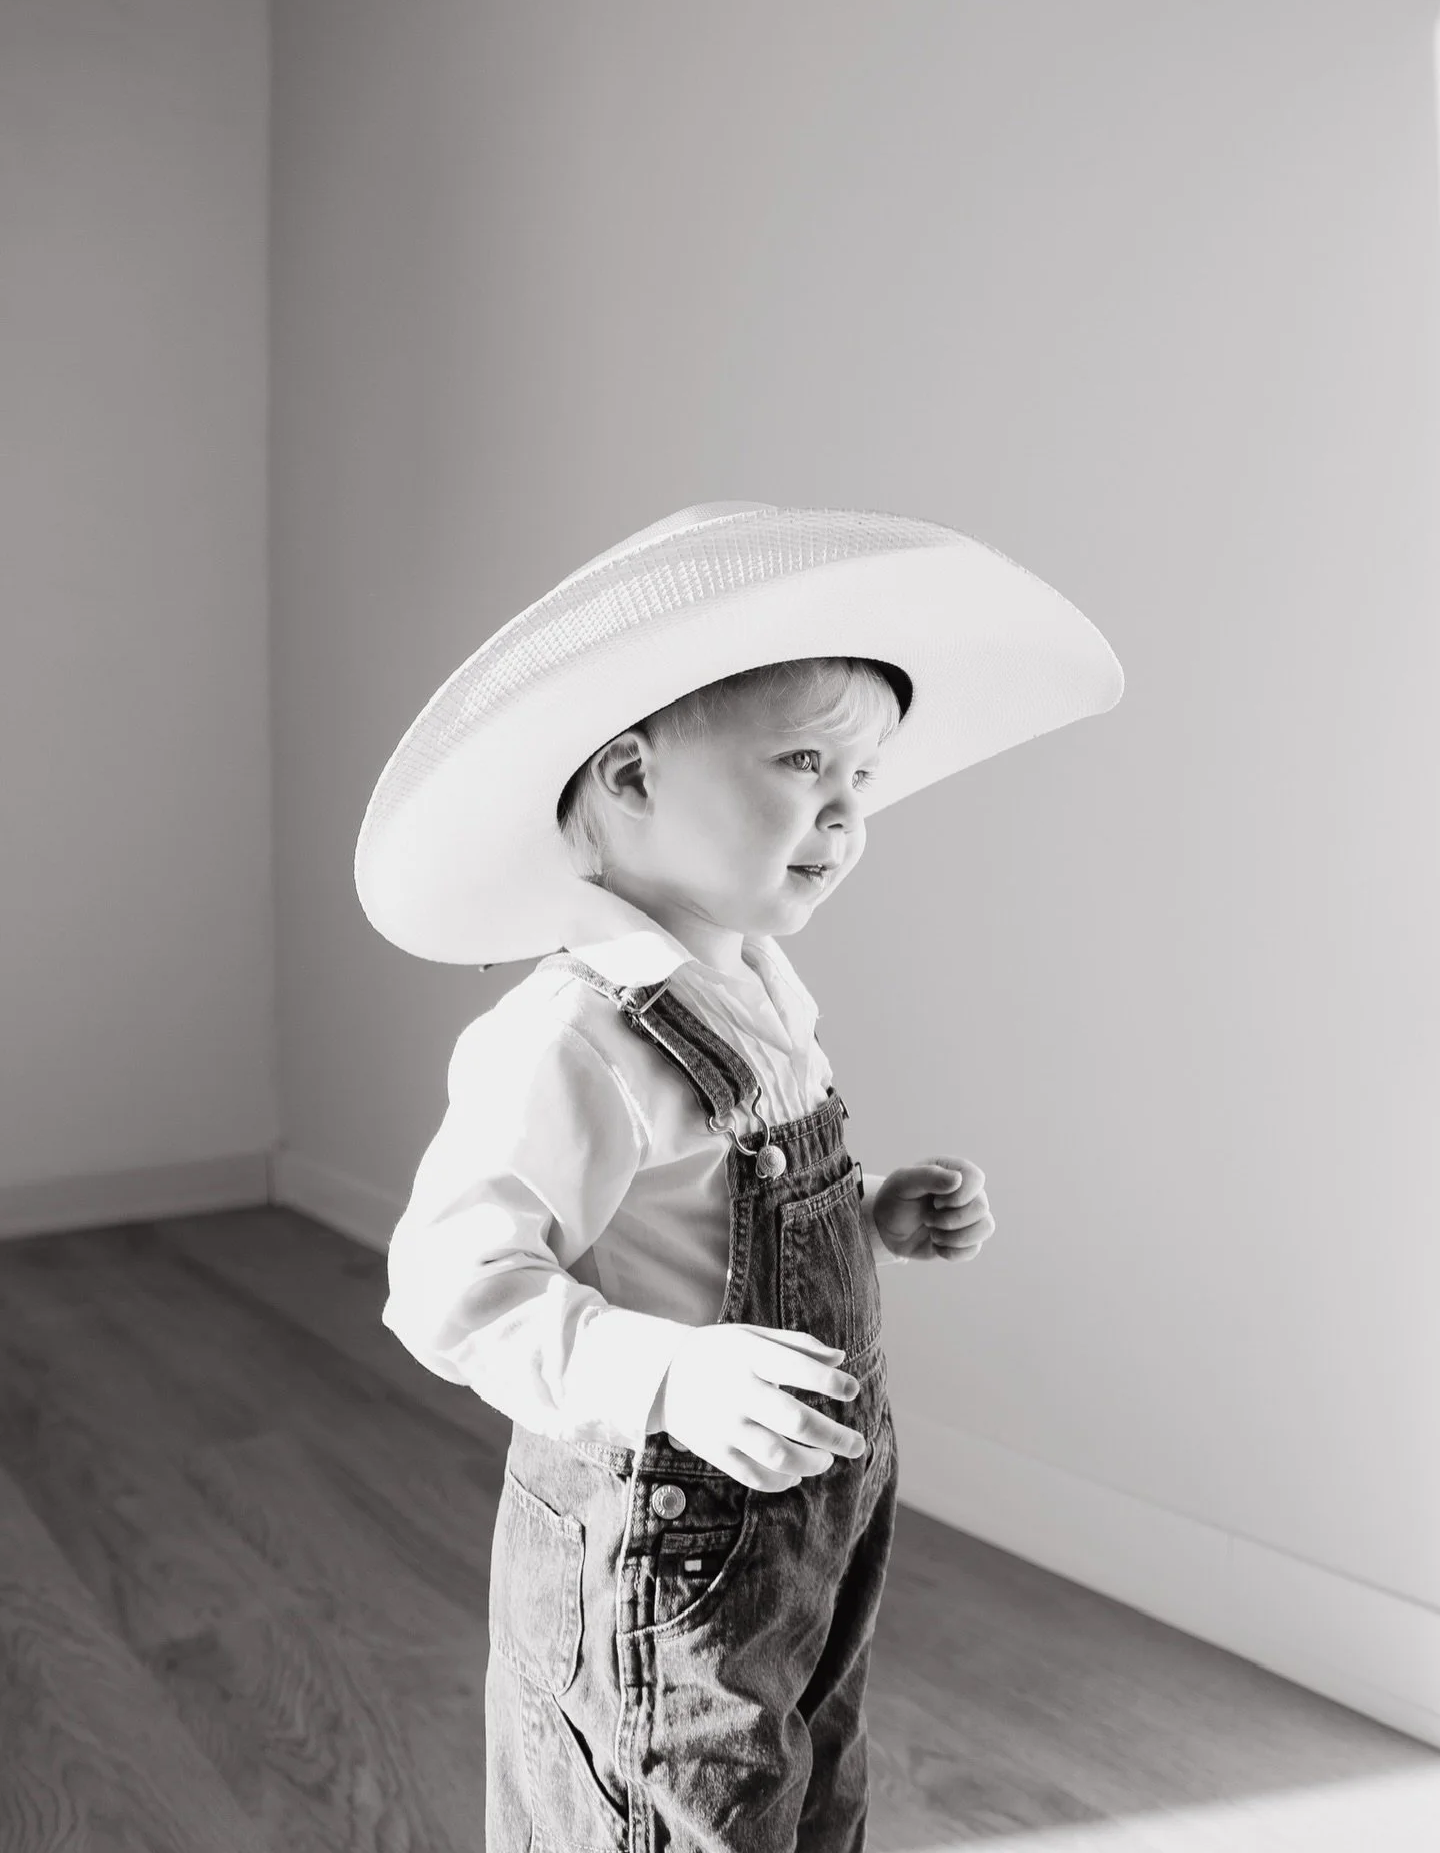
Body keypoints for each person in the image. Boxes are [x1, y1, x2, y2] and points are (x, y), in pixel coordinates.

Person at [355, 500, 1122, 1851]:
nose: (844, 809)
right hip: (672, 1541)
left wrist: (874, 1220)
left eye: (864, 777)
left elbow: (730, 1224)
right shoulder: (573, 1034)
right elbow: (450, 1288)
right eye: (804, 760)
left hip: (821, 1507)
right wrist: (665, 1374)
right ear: (633, 778)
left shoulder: (752, 985)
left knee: (808, 1779)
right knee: (677, 1809)